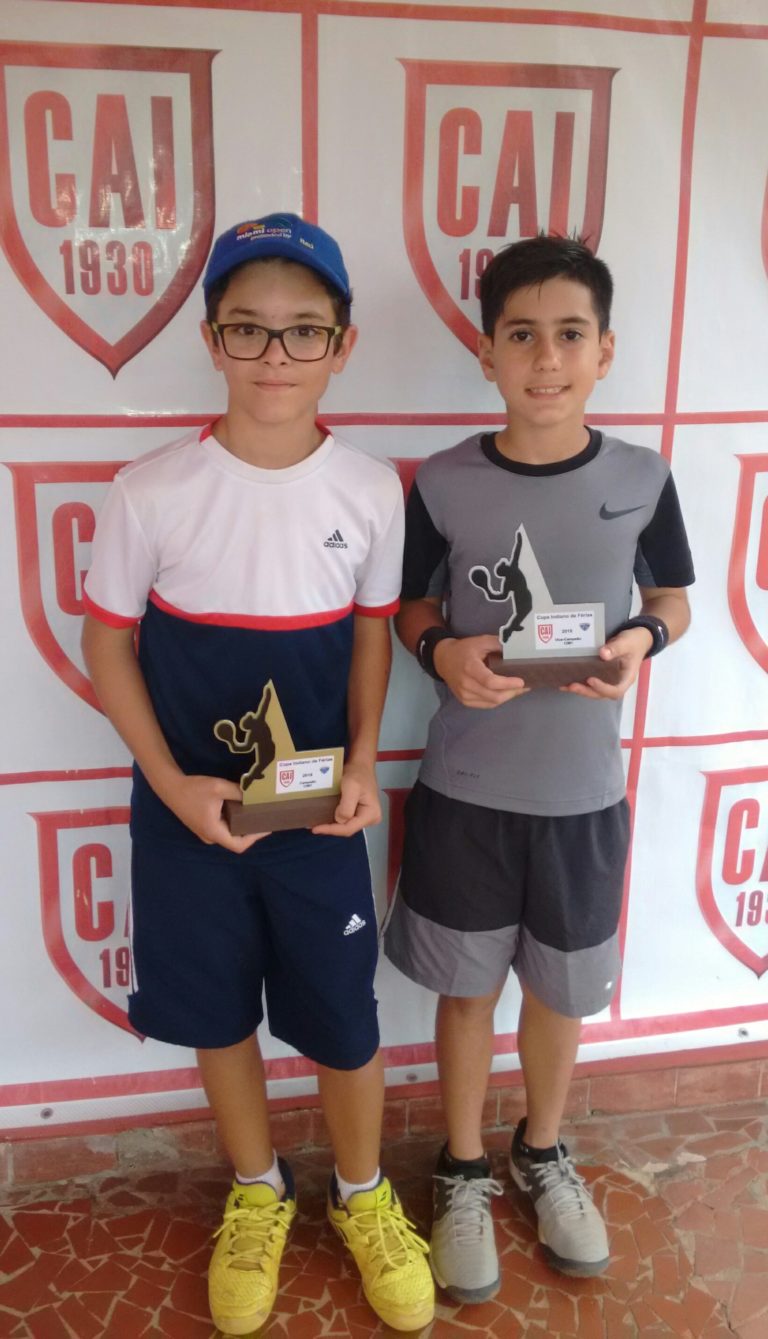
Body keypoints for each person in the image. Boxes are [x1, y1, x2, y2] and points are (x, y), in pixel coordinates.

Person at [81, 213, 434, 1335]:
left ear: (343, 344)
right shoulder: (149, 490)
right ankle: (257, 1186)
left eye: (302, 332)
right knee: (216, 1011)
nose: (274, 356)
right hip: (185, 814)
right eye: (248, 329)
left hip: (319, 815)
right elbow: (107, 646)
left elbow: (372, 639)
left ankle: (363, 1193)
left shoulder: (371, 490)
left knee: (344, 1019)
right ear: (211, 339)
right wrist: (172, 782)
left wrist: (365, 761)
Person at [385, 234, 694, 1302]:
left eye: (570, 334)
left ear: (605, 351)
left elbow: (673, 599)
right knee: (468, 992)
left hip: (582, 799)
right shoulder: (444, 481)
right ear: (487, 353)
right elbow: (413, 606)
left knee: (560, 996)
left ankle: (544, 1148)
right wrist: (441, 652)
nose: (546, 358)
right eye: (521, 335)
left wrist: (640, 641)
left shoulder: (643, 477)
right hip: (468, 794)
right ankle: (463, 1166)